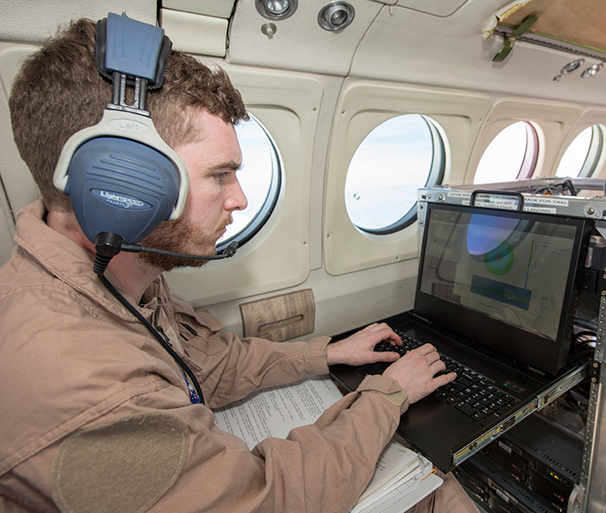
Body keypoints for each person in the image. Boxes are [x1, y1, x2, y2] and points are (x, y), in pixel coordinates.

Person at [0, 17, 480, 513]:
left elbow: (211, 364)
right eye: (221, 175)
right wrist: (388, 396)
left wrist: (328, 354)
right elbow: (267, 501)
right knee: (437, 490)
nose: (241, 199)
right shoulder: (72, 377)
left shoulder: (125, 277)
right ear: (125, 188)